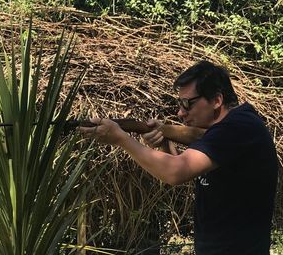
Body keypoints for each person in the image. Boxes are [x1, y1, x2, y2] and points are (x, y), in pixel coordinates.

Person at [79, 60, 278, 255]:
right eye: (179, 103)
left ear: (217, 100)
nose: (180, 112)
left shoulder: (237, 128)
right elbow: (184, 168)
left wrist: (121, 139)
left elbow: (175, 172)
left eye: (187, 104)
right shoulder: (228, 129)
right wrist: (164, 144)